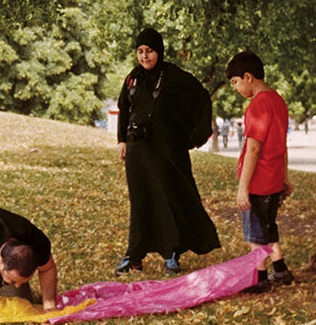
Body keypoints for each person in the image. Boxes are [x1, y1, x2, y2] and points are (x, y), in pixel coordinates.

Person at [113, 28, 221, 274]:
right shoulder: (133, 78)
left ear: (159, 52)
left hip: (166, 151)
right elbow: (124, 109)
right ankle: (135, 255)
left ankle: (171, 252)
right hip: (138, 150)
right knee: (140, 201)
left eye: (149, 51)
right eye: (140, 52)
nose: (144, 56)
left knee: (166, 198)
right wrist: (122, 140)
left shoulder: (173, 76)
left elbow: (202, 97)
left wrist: (196, 135)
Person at [226, 51, 293, 293]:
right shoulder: (279, 101)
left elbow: (253, 148)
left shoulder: (257, 106)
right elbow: (282, 144)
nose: (235, 88)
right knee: (268, 225)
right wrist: (284, 176)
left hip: (258, 181)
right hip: (274, 179)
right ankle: (281, 269)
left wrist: (243, 187)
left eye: (235, 82)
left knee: (255, 232)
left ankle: (260, 278)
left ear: (248, 77)